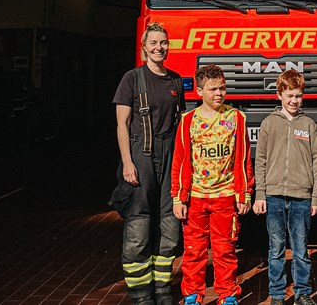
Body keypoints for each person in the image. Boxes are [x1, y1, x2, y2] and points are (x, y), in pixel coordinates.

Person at [109, 22, 186, 305]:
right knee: (140, 225)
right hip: (140, 154)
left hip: (170, 156)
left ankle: (163, 289)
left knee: (169, 224)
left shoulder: (176, 81)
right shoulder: (132, 78)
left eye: (163, 42)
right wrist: (128, 162)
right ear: (144, 47)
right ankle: (141, 294)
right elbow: (122, 124)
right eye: (153, 42)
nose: (159, 47)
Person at [171, 64, 254, 305]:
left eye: (222, 88)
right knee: (193, 251)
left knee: (224, 250)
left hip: (225, 197)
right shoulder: (188, 121)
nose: (219, 93)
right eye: (213, 89)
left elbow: (243, 158)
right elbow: (179, 160)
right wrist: (178, 197)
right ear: (199, 91)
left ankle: (227, 294)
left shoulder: (236, 118)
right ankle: (192, 295)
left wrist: (245, 193)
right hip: (195, 197)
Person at [253, 70, 317, 305]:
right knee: (276, 250)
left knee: (301, 250)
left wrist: (315, 197)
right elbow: (260, 160)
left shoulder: (309, 125)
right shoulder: (268, 123)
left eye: (299, 96)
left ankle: (302, 293)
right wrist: (260, 194)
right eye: (290, 95)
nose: (294, 100)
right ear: (279, 94)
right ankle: (278, 295)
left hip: (302, 198)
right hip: (273, 196)